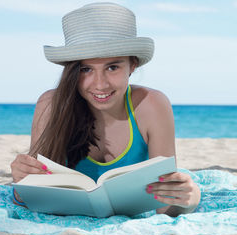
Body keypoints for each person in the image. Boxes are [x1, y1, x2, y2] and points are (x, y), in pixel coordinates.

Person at [10, 2, 200, 216]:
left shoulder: (152, 105)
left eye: (112, 67)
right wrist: (21, 182)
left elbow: (165, 206)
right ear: (71, 71)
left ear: (133, 65)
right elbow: (31, 199)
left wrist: (188, 201)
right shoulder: (51, 106)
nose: (100, 84)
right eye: (85, 69)